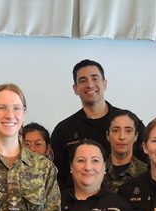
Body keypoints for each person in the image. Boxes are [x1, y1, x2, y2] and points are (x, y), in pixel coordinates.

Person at [50, 60, 135, 191]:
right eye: (83, 80)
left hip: (127, 199)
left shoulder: (128, 122)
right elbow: (57, 178)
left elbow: (147, 164)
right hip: (79, 205)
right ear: (75, 89)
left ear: (105, 83)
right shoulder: (63, 130)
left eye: (95, 78)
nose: (90, 84)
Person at [103, 110, 148, 193]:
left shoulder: (147, 174)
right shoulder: (96, 171)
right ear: (107, 135)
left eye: (128, 131)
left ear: (136, 136)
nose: (122, 137)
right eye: (115, 130)